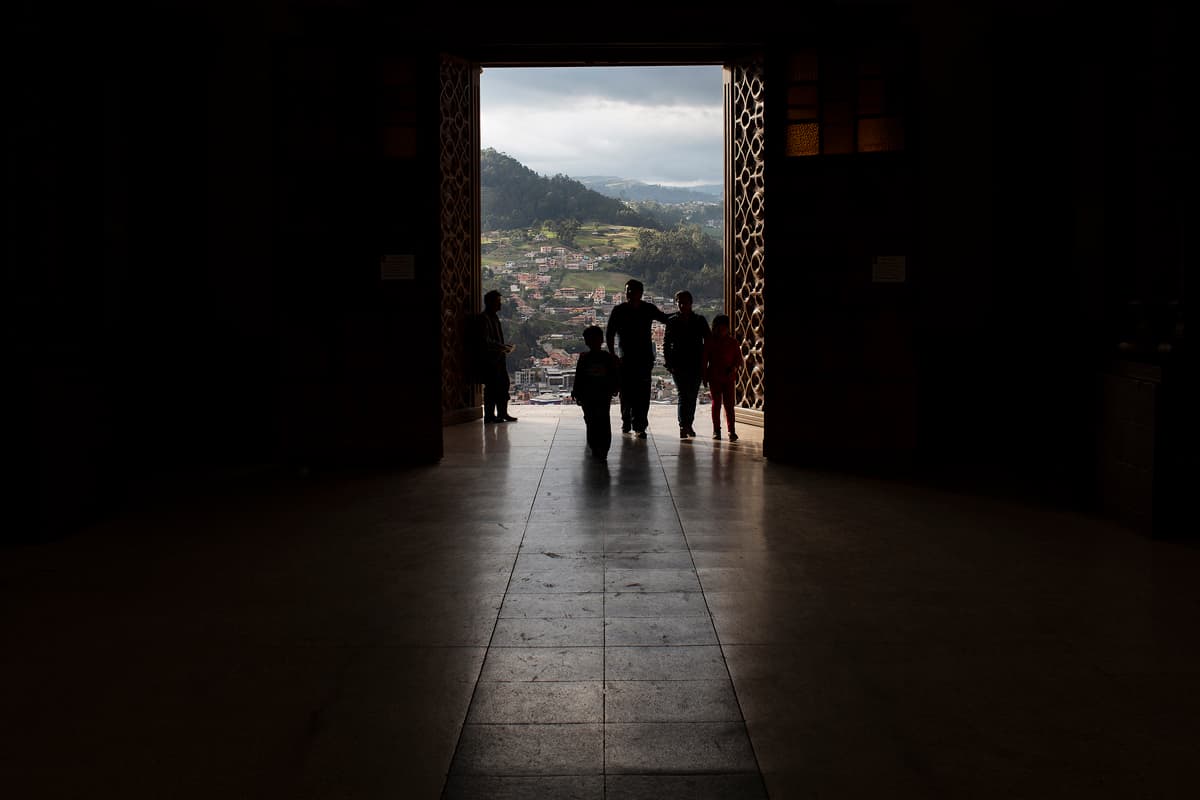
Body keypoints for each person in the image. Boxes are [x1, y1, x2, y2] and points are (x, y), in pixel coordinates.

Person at [606, 279, 671, 438]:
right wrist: (613, 354)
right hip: (626, 358)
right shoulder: (622, 310)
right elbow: (609, 333)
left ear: (640, 293)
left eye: (632, 291)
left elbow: (664, 319)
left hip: (642, 358)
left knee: (641, 393)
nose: (629, 293)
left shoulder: (642, 309)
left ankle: (639, 424)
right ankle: (628, 421)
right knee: (627, 392)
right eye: (627, 290)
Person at [663, 290, 710, 439]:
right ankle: (684, 425)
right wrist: (669, 363)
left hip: (695, 363)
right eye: (680, 303)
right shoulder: (673, 321)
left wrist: (706, 362)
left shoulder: (700, 320)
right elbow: (666, 344)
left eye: (685, 302)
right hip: (679, 364)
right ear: (677, 304)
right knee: (684, 395)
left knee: (691, 395)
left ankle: (687, 424)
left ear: (691, 303)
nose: (682, 305)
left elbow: (708, 341)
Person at [570, 325, 621, 459]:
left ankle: (595, 448)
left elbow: (579, 376)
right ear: (602, 340)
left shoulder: (584, 357)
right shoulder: (607, 357)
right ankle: (603, 449)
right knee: (604, 420)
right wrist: (615, 388)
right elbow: (614, 375)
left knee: (591, 421)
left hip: (588, 396)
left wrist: (576, 392)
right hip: (603, 395)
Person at [703, 314, 742, 441]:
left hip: (729, 377)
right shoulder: (710, 342)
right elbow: (704, 361)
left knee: (729, 405)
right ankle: (716, 430)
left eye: (723, 328)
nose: (721, 331)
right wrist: (704, 377)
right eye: (718, 328)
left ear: (727, 328)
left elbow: (738, 359)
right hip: (714, 377)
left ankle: (731, 431)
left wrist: (734, 369)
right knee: (717, 404)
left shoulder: (733, 342)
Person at [480, 289, 517, 423]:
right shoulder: (484, 319)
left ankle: (502, 413)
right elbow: (485, 340)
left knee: (503, 385)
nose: (500, 305)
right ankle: (489, 415)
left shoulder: (493, 318)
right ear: (490, 303)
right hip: (490, 360)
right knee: (491, 388)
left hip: (498, 359)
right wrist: (502, 347)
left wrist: (503, 347)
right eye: (498, 302)